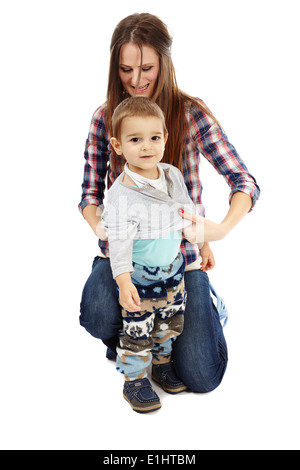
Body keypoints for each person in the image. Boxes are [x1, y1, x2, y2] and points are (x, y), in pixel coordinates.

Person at [78, 13, 260, 394]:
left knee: (201, 377)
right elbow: (90, 196)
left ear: (164, 62)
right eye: (126, 69)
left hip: (180, 259)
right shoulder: (104, 118)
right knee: (96, 313)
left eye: (146, 67)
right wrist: (99, 225)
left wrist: (218, 231)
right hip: (127, 260)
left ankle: (198, 312)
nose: (136, 79)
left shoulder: (190, 113)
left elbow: (243, 180)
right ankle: (137, 339)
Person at [101, 96, 200, 412]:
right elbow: (118, 245)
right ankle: (134, 381)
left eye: (154, 137)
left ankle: (163, 364)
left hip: (173, 269)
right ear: (118, 145)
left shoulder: (171, 175)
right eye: (135, 139)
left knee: (169, 322)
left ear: (165, 138)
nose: (147, 146)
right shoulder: (121, 196)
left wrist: (203, 244)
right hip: (141, 275)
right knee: (138, 329)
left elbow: (187, 215)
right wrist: (124, 281)